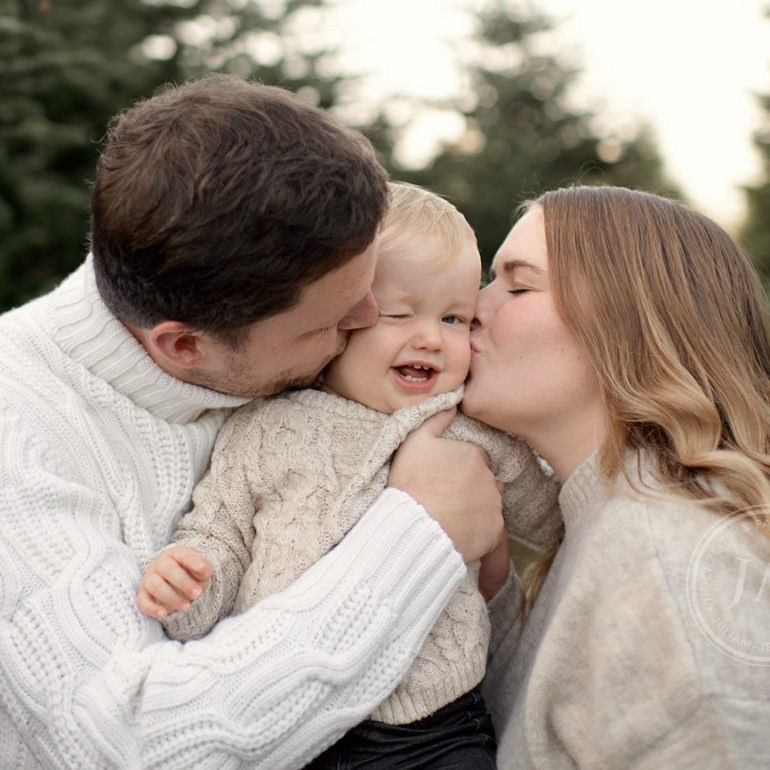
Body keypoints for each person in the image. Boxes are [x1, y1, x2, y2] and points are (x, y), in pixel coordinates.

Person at [0, 75, 506, 769]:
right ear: (185, 345)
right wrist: (419, 532)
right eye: (333, 320)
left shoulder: (274, 358)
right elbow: (129, 743)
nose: (367, 322)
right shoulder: (18, 429)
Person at [137, 182, 561, 768]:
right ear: (338, 320)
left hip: (432, 727)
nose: (430, 337)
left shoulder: (468, 430)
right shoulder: (265, 426)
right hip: (292, 718)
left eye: (454, 317)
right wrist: (188, 586)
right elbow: (221, 535)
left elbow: (557, 518)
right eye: (398, 313)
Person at [462, 184, 770, 769]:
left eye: (519, 287)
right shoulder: (608, 524)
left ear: (632, 324)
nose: (472, 308)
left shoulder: (666, 559)